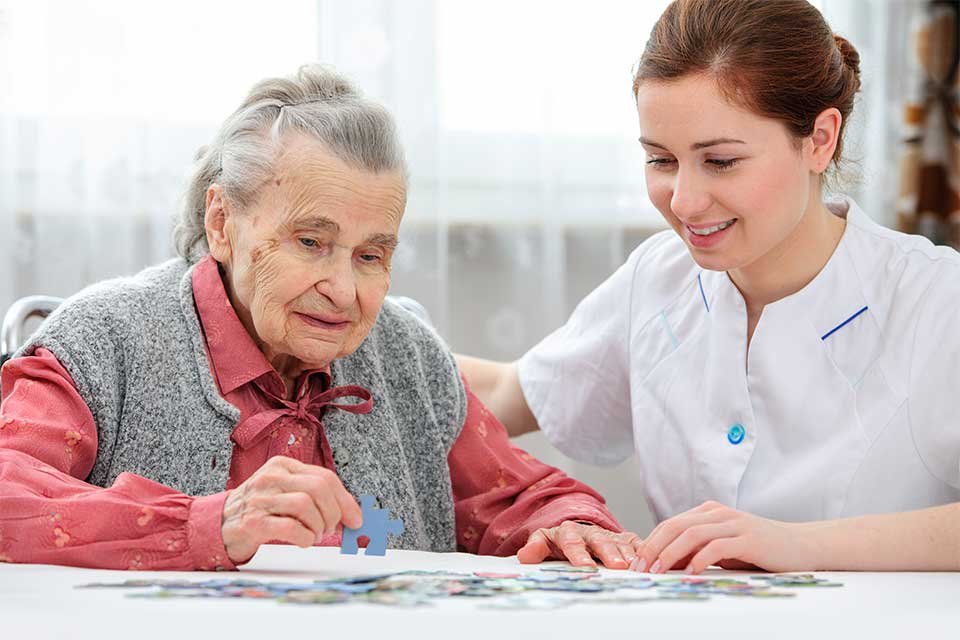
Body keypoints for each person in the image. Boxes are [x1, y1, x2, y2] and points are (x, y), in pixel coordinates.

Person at [0, 65, 642, 571]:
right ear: (222, 222)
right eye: (311, 242)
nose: (343, 289)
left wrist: (572, 524)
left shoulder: (407, 355)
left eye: (371, 255)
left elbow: (515, 497)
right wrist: (208, 523)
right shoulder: (104, 341)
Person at [457, 0, 960, 575]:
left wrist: (798, 546)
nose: (684, 201)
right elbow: (505, 393)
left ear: (820, 140)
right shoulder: (660, 277)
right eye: (661, 160)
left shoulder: (936, 301)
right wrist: (351, 333)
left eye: (720, 161)